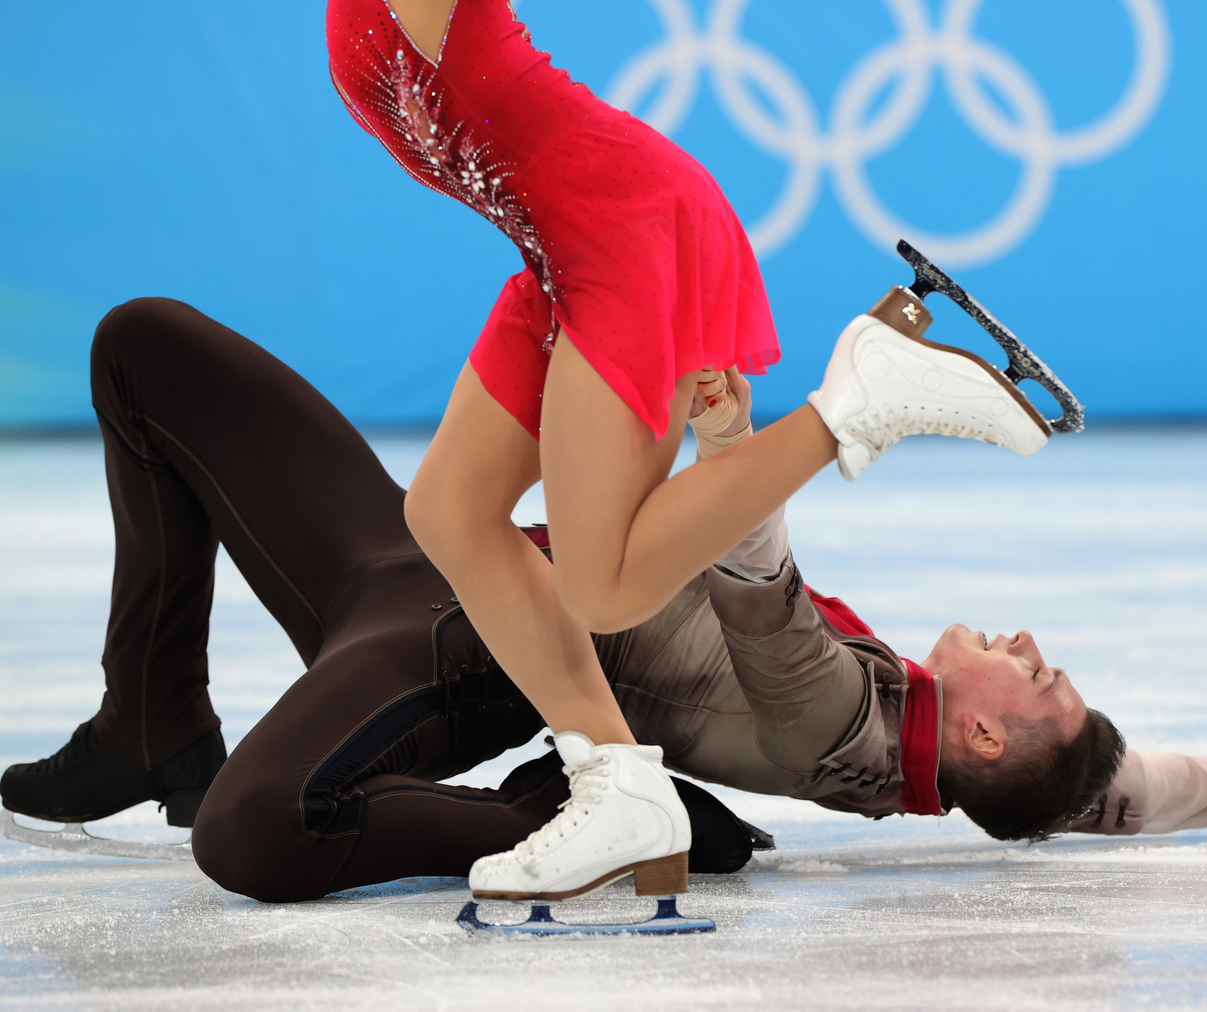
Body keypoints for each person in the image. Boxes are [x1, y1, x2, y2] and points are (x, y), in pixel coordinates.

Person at [1, 301, 1207, 903]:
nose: (1031, 649)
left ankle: (582, 823)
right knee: (145, 350)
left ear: (985, 742)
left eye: (1037, 678)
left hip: (468, 647)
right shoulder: (966, 743)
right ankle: (149, 720)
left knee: (253, 834)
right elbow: (1109, 786)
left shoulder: (851, 732)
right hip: (428, 565)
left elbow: (768, 607)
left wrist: (745, 443)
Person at [322, 0, 1057, 901]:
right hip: (562, 244)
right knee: (447, 510)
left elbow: (1056, 767)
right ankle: (620, 783)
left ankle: (856, 406)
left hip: (625, 226)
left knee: (603, 585)